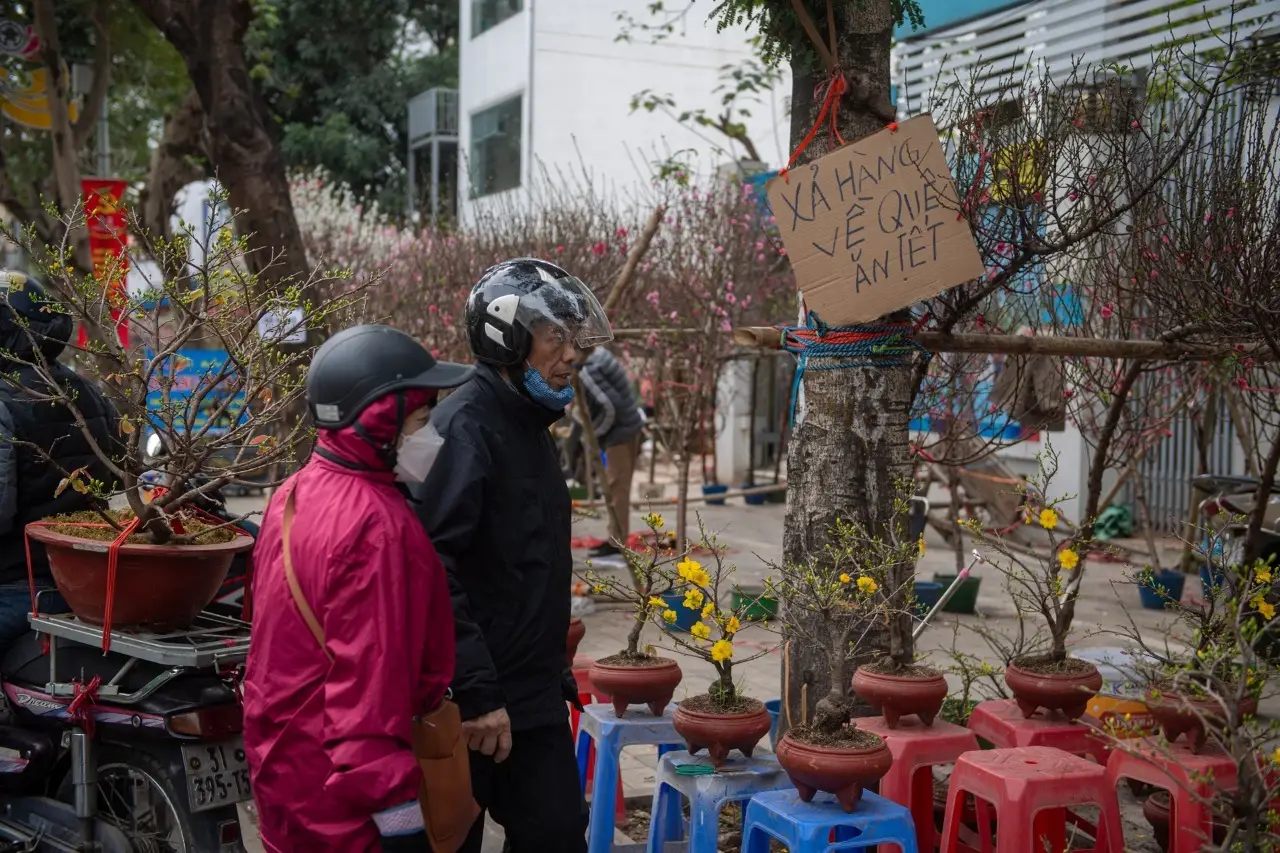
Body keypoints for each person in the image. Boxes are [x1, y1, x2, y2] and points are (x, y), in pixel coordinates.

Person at [243, 324, 473, 853]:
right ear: (377, 421)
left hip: (287, 771)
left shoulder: (296, 489)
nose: (430, 434)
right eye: (419, 419)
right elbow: (369, 687)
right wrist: (399, 821)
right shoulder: (376, 528)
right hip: (346, 805)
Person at [414, 258, 612, 853]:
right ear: (508, 336)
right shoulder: (461, 430)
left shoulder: (529, 423)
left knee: (557, 834)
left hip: (532, 698)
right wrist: (476, 694)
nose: (573, 354)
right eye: (557, 337)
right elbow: (431, 569)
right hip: (473, 707)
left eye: (575, 339)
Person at [0, 271, 117, 649]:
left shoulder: (4, 401)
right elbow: (118, 480)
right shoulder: (89, 392)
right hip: (86, 582)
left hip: (18, 588)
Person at [576, 346, 643, 559]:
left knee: (616, 489)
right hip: (628, 428)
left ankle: (617, 544)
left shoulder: (589, 370)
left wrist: (595, 433)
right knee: (617, 488)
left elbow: (609, 407)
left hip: (620, 433)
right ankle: (615, 539)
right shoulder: (600, 354)